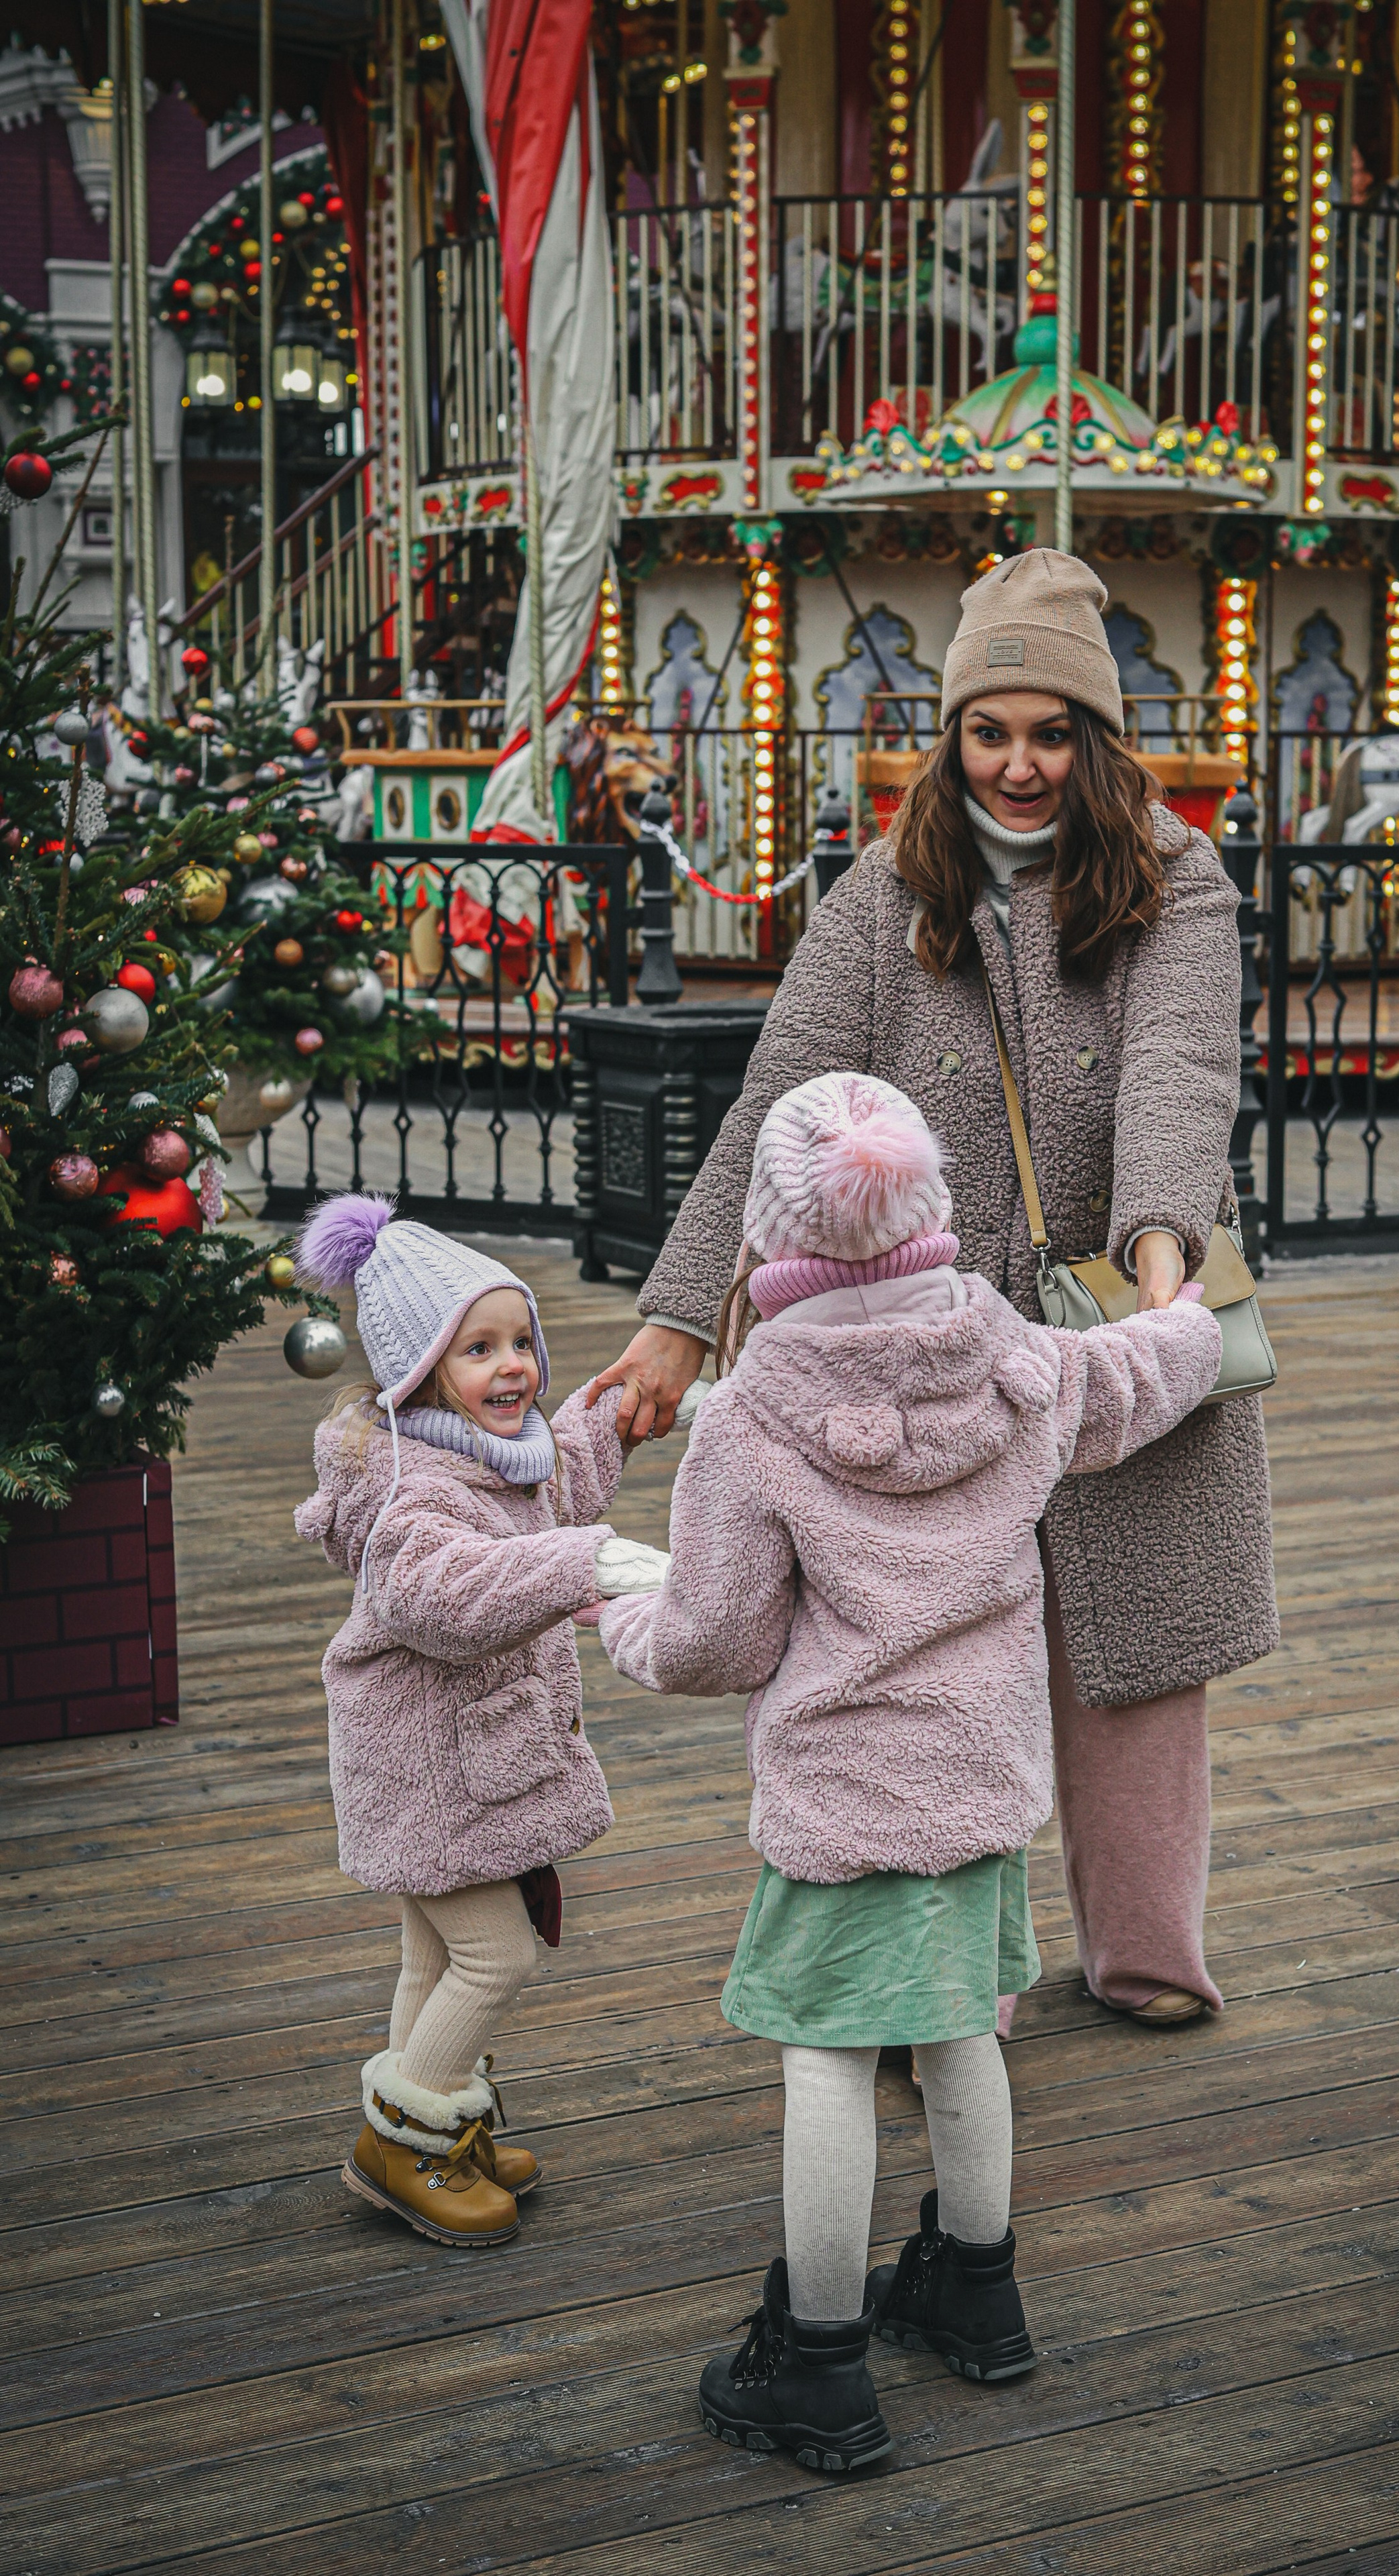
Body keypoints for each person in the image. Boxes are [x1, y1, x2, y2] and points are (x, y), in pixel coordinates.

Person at [589, 547, 1278, 2025]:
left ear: (1094, 740)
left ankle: (1146, 1951)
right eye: (989, 730)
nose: (1017, 766)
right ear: (949, 733)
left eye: (1048, 733)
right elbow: (776, 1099)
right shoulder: (885, 890)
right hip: (921, 1341)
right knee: (929, 1649)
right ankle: (938, 1971)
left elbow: (1176, 1067)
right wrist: (671, 1320)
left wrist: (1162, 1261)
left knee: (1138, 1640)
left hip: (1110, 1311)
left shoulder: (1172, 873)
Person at [594, 1070, 1223, 2470]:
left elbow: (713, 1639)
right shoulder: (1015, 1357)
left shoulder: (754, 1416)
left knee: (824, 2051)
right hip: (981, 1778)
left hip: (841, 1794)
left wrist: (616, 1607)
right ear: (929, 1210)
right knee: (955, 2025)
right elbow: (1144, 1372)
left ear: (768, 1236)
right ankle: (975, 2289)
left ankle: (816, 2359)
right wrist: (1184, 1312)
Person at [293, 1193, 665, 2248]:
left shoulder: (490, 1450)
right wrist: (585, 1562)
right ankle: (405, 2142)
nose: (513, 1369)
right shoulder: (413, 1492)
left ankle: (433, 2123)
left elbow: (560, 1484)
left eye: (520, 1344)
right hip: (429, 1768)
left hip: (460, 1765)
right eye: (479, 1351)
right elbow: (448, 1599)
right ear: (418, 1373)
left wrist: (614, 1405)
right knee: (494, 1957)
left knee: (430, 1960)